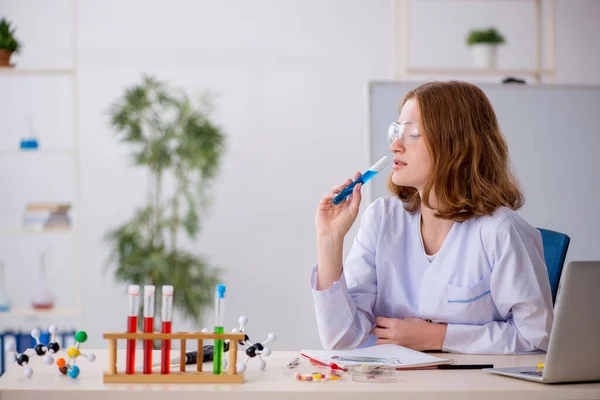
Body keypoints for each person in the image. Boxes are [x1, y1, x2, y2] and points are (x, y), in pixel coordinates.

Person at [312, 81, 553, 354]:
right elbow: (342, 340)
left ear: (456, 144)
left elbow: (537, 339)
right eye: (396, 131)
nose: (395, 146)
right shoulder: (382, 218)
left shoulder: (500, 230)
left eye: (412, 133)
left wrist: (439, 337)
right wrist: (329, 240)